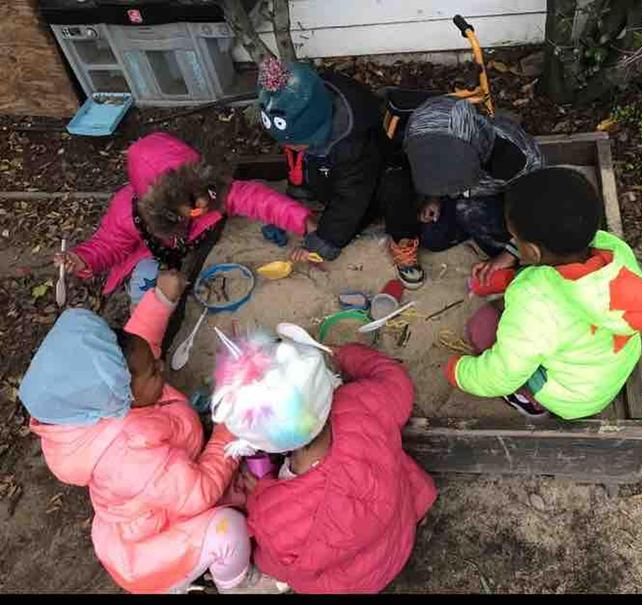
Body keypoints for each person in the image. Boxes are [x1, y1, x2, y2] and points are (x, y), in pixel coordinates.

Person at [18, 271, 278, 593]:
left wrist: (162, 299)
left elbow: (140, 343)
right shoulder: (128, 454)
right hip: (154, 546)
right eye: (154, 371)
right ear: (121, 393)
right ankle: (235, 582)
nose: (162, 366)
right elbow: (198, 493)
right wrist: (224, 435)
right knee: (230, 531)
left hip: (159, 498)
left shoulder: (105, 394)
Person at [444, 167, 642, 419]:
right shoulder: (613, 249)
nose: (513, 242)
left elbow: (501, 373)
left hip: (570, 398)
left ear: (532, 251)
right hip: (610, 368)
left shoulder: (536, 304)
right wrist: (510, 276)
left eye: (514, 238)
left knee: (481, 328)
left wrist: (459, 372)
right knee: (511, 316)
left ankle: (528, 400)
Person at [211, 331, 437, 593]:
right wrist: (345, 353)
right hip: (399, 534)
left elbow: (274, 564)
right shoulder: (362, 403)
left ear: (260, 444)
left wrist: (259, 493)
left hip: (353, 584)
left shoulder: (272, 512)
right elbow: (395, 380)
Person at [55, 132, 314, 344]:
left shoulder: (208, 195)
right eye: (191, 201)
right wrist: (82, 258)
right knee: (144, 285)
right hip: (152, 260)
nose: (203, 200)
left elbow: (255, 198)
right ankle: (146, 338)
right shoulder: (128, 214)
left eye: (202, 190)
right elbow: (108, 245)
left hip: (187, 249)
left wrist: (302, 220)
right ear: (163, 208)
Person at [256, 59, 424, 289]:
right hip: (340, 175)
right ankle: (331, 222)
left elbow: (350, 197)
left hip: (375, 176)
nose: (295, 149)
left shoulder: (352, 141)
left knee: (394, 187)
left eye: (299, 144)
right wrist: (290, 212)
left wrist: (321, 243)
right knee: (333, 214)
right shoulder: (308, 100)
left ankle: (402, 240)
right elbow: (297, 166)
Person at [399, 95, 544, 284]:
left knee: (470, 213)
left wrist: (509, 254)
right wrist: (434, 196)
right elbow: (433, 168)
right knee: (432, 238)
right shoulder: (423, 145)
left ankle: (507, 251)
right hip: (466, 196)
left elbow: (537, 210)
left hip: (505, 201)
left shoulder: (516, 157)